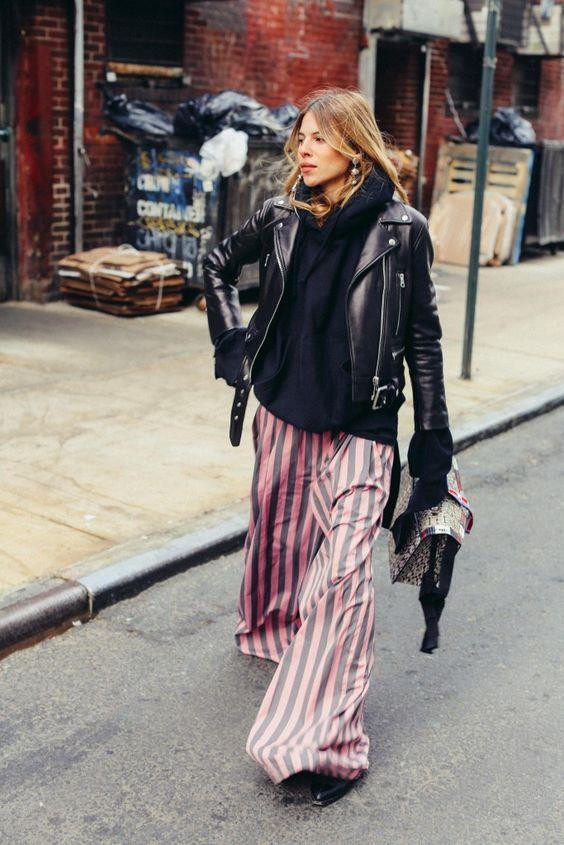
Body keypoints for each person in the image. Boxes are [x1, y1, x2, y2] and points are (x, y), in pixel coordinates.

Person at [203, 87, 452, 807]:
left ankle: (328, 747)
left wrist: (432, 444)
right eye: (301, 137)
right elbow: (217, 264)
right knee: (278, 542)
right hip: (285, 412)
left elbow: (423, 341)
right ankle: (275, 634)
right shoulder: (282, 214)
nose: (303, 149)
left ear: (354, 145)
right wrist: (232, 344)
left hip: (362, 428)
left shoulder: (402, 230)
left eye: (319, 137)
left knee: (343, 580)